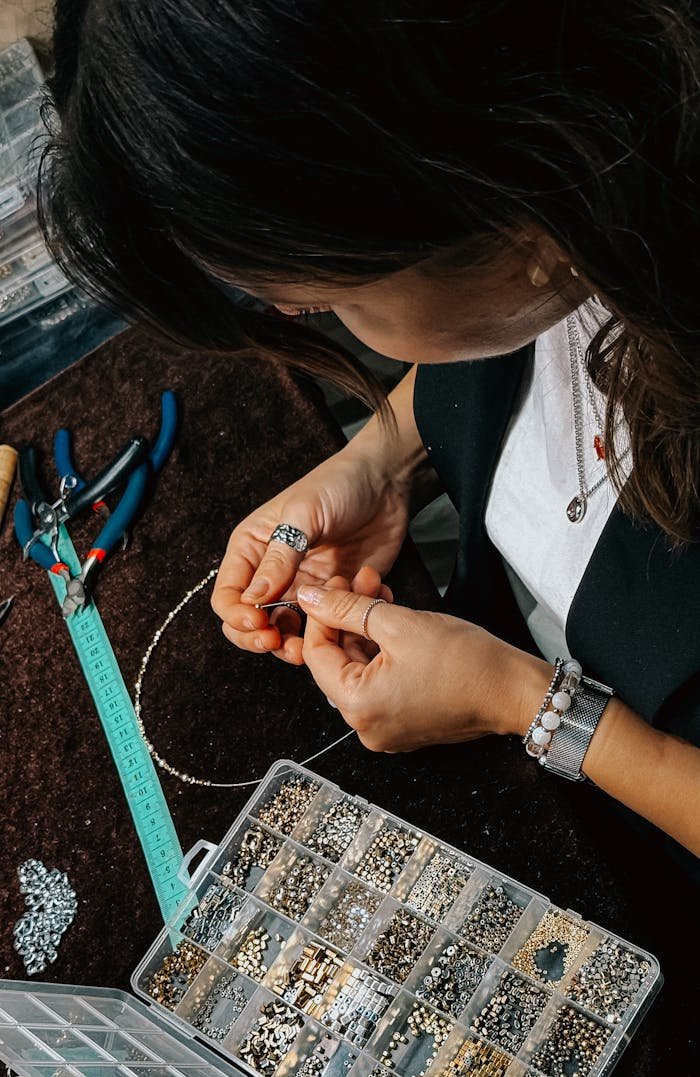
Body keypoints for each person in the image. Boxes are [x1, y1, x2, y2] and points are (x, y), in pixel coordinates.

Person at [43, 2, 699, 858]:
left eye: (331, 299)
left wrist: (534, 708)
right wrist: (385, 457)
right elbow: (532, 326)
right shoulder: (586, 180)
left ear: (519, 218)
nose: (295, 314)